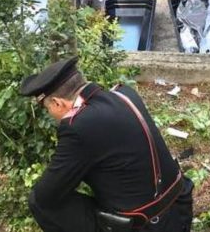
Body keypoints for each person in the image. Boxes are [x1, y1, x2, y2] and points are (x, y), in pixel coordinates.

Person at [20, 57, 194, 232]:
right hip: (180, 206)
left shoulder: (79, 127)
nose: (50, 114)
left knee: (38, 202)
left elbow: (46, 195)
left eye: (47, 108)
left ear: (58, 103)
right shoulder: (124, 93)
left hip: (149, 226)